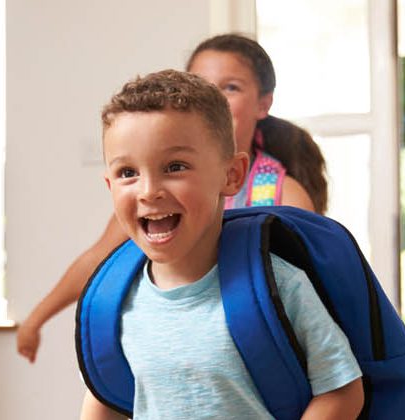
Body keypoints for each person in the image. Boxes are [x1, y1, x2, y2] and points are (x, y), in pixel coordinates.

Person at [16, 34, 328, 363]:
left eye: (231, 87)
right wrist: (37, 318)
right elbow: (98, 258)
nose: (150, 191)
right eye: (203, 84)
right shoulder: (151, 196)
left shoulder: (283, 193)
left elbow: (308, 302)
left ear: (264, 103)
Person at [79, 69, 363, 419]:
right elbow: (105, 398)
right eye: (127, 173)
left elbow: (342, 389)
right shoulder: (112, 301)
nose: (148, 190)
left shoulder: (278, 284)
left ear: (231, 175)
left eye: (175, 166)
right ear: (109, 185)